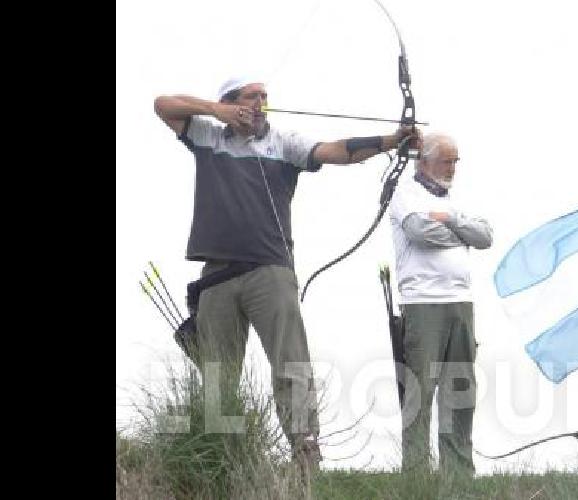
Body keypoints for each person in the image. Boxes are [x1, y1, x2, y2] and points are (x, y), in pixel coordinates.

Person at [153, 76, 419, 472]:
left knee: (290, 361)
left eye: (264, 97)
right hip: (217, 275)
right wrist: (214, 110)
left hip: (270, 270)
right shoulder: (209, 136)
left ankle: (305, 452)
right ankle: (219, 459)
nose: (260, 103)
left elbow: (335, 152)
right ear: (230, 103)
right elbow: (162, 104)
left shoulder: (283, 143)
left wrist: (389, 141)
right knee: (216, 373)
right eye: (250, 97)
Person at [387, 133, 492, 477]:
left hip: (461, 302)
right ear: (424, 161)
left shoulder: (457, 198)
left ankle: (458, 471)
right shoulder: (405, 193)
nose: (452, 168)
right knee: (420, 389)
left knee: (460, 388)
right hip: (423, 303)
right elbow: (420, 232)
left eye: (455, 161)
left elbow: (485, 236)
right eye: (447, 161)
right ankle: (416, 473)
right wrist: (463, 232)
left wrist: (451, 220)